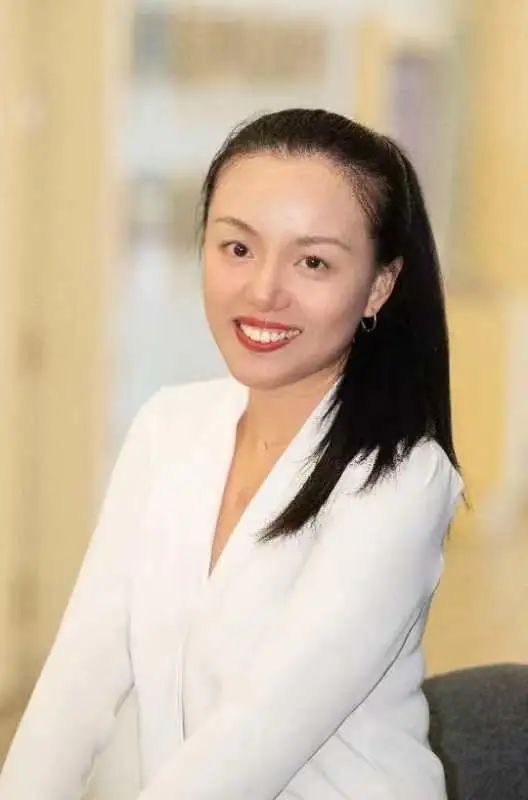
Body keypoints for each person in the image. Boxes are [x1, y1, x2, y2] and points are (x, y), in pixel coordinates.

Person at [0, 108, 467, 800]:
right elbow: (79, 681)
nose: (263, 290)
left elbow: (252, 741)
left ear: (379, 285)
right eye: (238, 248)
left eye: (313, 262)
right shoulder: (168, 429)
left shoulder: (403, 479)